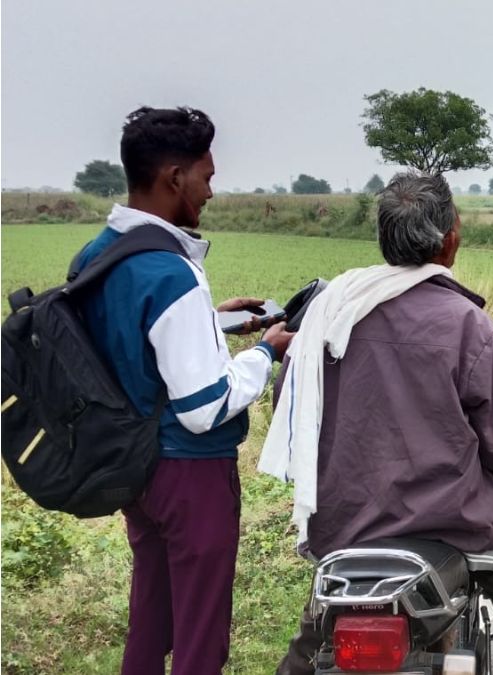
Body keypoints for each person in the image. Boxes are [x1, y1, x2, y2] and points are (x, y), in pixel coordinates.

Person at [267, 171, 493, 675]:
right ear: (450, 236)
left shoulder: (328, 316)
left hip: (346, 530)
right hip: (461, 528)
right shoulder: (466, 324)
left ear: (384, 239)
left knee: (311, 645)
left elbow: (291, 413)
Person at [74, 106, 293, 675]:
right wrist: (265, 352)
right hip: (191, 471)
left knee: (151, 614)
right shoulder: (171, 272)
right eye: (208, 176)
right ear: (175, 177)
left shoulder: (98, 254)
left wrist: (213, 320)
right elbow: (203, 406)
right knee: (200, 632)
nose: (212, 191)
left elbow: (132, 340)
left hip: (134, 468)